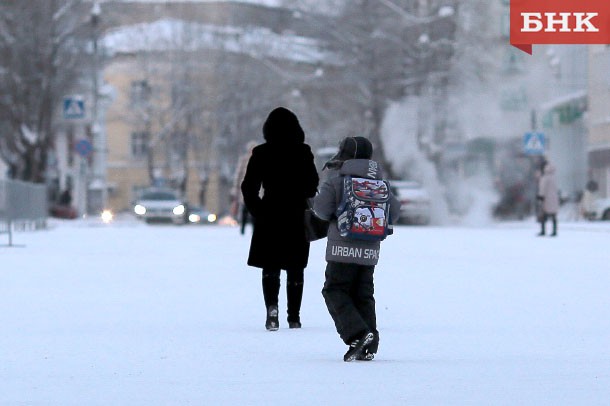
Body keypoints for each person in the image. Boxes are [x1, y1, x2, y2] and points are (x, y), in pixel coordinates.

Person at [313, 136, 401, 362]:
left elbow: (321, 211)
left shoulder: (337, 180)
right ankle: (370, 345)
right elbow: (395, 211)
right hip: (370, 251)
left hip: (341, 249)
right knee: (363, 294)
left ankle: (357, 335)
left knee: (334, 290)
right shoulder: (380, 183)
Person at [241, 107, 319, 331]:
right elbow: (312, 185)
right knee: (296, 268)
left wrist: (258, 210)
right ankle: (294, 317)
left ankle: (271, 311)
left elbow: (249, 187)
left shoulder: (261, 153)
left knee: (270, 266)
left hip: (270, 214)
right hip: (296, 215)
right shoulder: (303, 152)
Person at [231, 141, 257, 234]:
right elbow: (238, 175)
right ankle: (242, 229)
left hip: (257, 190)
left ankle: (254, 230)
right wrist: (235, 190)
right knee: (245, 210)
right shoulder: (243, 160)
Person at [537, 161, 559, 236]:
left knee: (543, 214)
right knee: (553, 215)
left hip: (546, 199)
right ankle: (554, 231)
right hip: (554, 199)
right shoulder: (554, 177)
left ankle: (543, 231)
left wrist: (540, 197)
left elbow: (542, 188)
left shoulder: (545, 178)